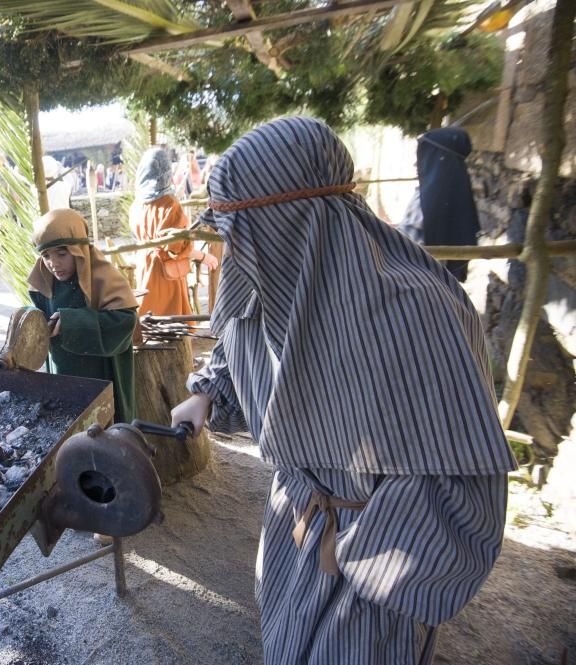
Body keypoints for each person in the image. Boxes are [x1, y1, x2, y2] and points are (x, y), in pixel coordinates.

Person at [171, 117, 516, 665]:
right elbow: (242, 331)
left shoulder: (423, 311)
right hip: (294, 529)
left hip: (380, 558)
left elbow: (469, 479)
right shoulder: (274, 285)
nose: (233, 251)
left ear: (295, 219)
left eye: (242, 230)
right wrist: (207, 394)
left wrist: (358, 557)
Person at [28, 209, 138, 423]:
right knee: (69, 420)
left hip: (101, 371)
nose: (54, 263)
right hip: (62, 370)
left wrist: (72, 322)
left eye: (62, 254)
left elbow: (125, 321)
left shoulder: (103, 278)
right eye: (46, 255)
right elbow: (36, 315)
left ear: (80, 250)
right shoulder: (44, 280)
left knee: (102, 425)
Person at [131, 148, 218, 317]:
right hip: (164, 273)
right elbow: (175, 247)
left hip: (145, 267)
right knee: (171, 324)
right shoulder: (169, 205)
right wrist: (204, 256)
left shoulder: (137, 205)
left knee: (150, 320)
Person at [398, 127, 480, 282]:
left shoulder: (428, 200)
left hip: (416, 281)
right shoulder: (459, 190)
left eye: (423, 154)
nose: (417, 163)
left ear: (437, 157)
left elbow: (406, 247)